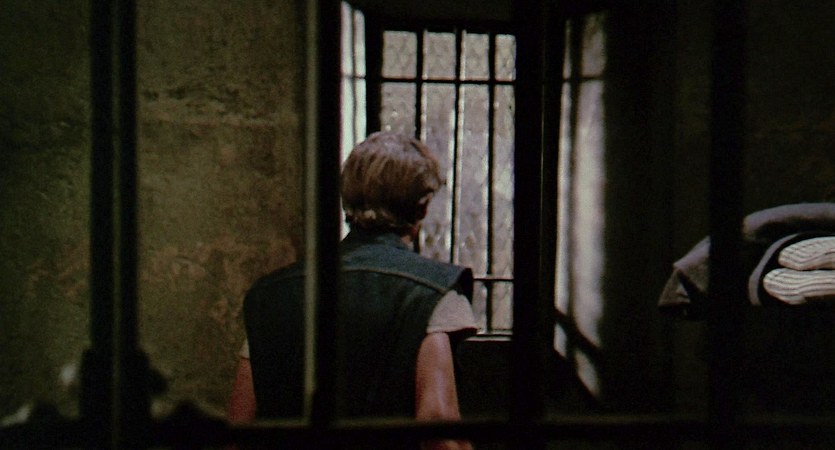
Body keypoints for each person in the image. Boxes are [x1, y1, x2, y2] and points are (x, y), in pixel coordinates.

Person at [228, 131, 476, 449]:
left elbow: (240, 427)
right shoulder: (434, 293)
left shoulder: (270, 296)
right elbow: (437, 421)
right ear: (422, 208)